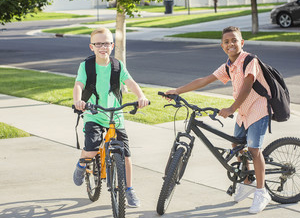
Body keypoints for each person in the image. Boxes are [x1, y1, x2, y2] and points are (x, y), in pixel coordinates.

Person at [164, 26, 271, 214]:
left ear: (242, 42)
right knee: (236, 145)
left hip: (258, 108)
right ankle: (248, 182)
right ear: (222, 46)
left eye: (234, 40)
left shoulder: (249, 60)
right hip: (244, 111)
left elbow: (247, 86)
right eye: (227, 42)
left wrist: (231, 108)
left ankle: (262, 193)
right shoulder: (228, 66)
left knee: (254, 149)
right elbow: (204, 80)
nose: (231, 44)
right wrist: (177, 90)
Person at [73, 27, 149, 208]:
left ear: (112, 46)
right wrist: (78, 100)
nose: (102, 47)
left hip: (116, 116)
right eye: (98, 44)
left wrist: (141, 96)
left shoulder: (117, 66)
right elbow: (79, 84)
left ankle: (129, 189)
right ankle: (82, 164)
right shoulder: (86, 66)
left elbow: (130, 82)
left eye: (106, 43)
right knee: (91, 150)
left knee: (125, 155)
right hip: (94, 114)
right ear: (92, 47)